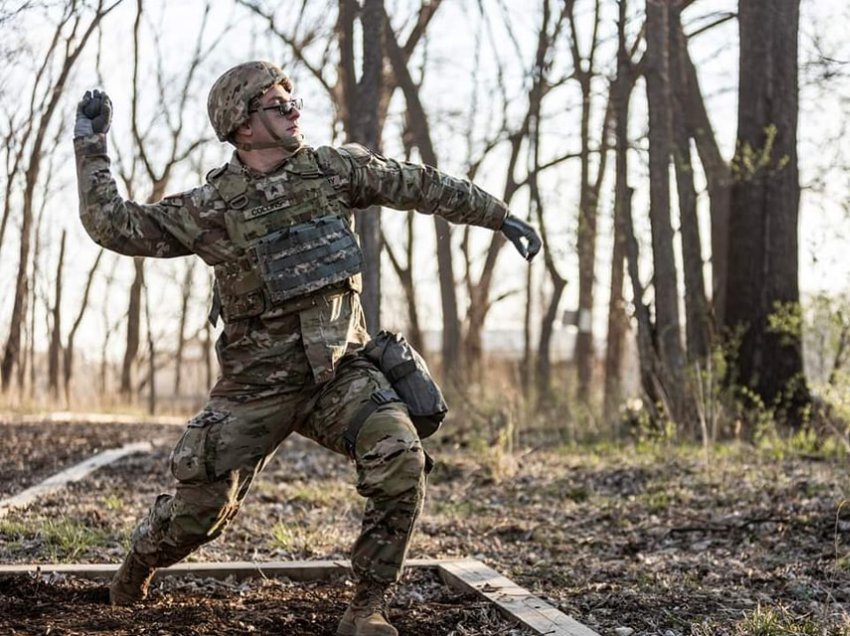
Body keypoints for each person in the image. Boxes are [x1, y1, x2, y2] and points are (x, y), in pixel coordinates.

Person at [73, 60, 541, 636]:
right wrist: (91, 144)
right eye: (277, 104)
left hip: (339, 377)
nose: (294, 110)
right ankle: (136, 567)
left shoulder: (333, 170)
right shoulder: (211, 208)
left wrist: (499, 216)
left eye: (293, 99)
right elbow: (114, 226)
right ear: (243, 127)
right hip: (255, 389)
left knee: (401, 461)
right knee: (198, 518)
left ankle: (366, 608)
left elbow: (419, 183)